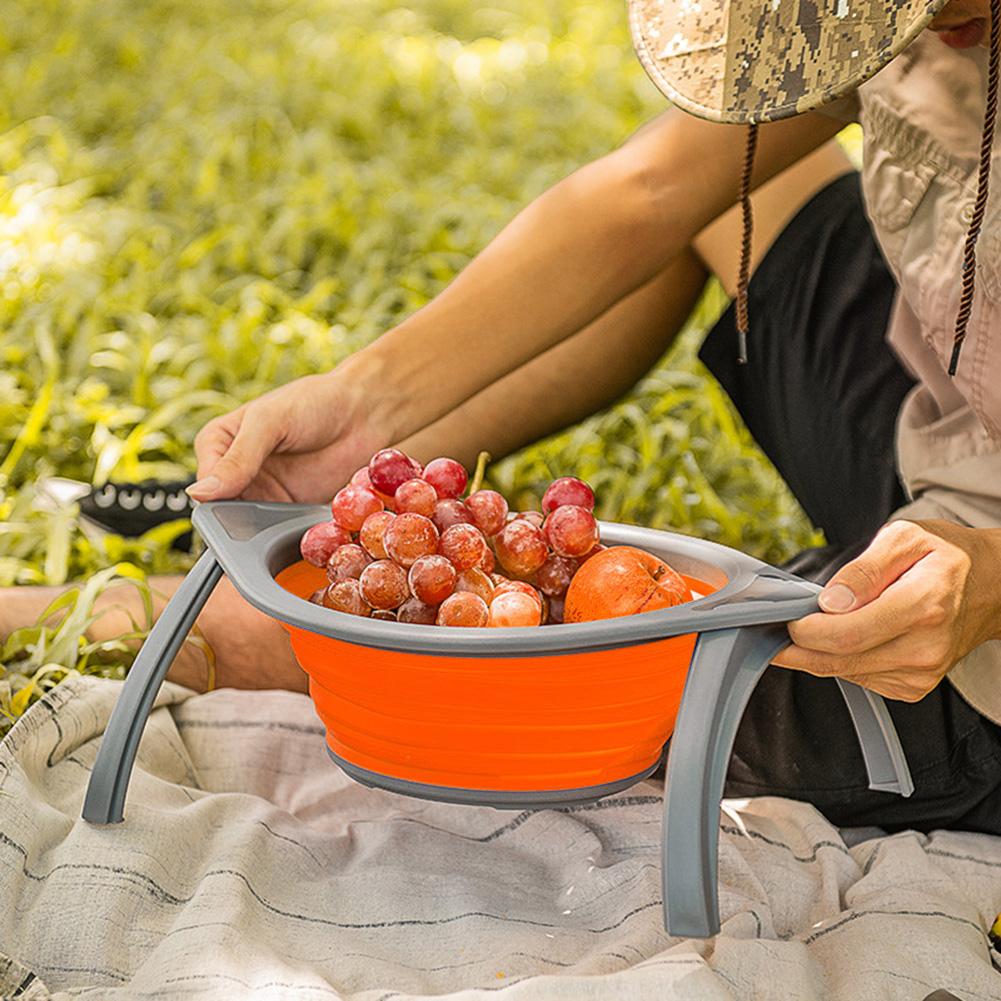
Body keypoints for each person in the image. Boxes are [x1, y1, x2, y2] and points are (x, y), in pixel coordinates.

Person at [4, 0, 1001, 834]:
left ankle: (31, 611)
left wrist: (985, 579)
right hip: (952, 417)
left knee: (420, 650)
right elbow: (649, 189)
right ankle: (343, 498)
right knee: (736, 174)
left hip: (974, 654)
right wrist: (365, 404)